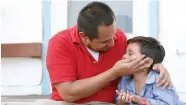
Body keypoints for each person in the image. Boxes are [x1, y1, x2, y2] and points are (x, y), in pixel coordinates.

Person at [31, 1, 172, 105]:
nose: (112, 43)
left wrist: (156, 64)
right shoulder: (60, 43)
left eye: (114, 36)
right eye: (105, 42)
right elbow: (68, 93)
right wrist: (114, 72)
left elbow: (138, 56)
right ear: (84, 37)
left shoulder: (119, 38)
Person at [116, 36, 185, 105]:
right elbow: (117, 100)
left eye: (130, 54)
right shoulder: (125, 78)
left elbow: (168, 103)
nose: (124, 56)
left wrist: (142, 101)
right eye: (125, 52)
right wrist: (121, 101)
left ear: (147, 62)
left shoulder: (160, 80)